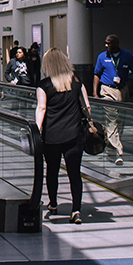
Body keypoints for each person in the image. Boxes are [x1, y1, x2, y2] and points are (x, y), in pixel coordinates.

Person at [35, 47, 91, 223]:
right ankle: (76, 210)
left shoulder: (44, 85)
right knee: (74, 173)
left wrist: (36, 131)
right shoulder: (76, 83)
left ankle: (53, 204)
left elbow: (41, 108)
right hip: (74, 135)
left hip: (51, 136)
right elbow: (87, 107)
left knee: (52, 171)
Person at [93, 34, 133, 166]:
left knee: (120, 120)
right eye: (105, 43)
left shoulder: (127, 55)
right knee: (111, 119)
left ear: (116, 44)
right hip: (108, 90)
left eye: (109, 43)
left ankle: (111, 146)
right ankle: (119, 151)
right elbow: (97, 74)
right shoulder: (102, 57)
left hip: (122, 90)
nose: (106, 46)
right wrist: (95, 92)